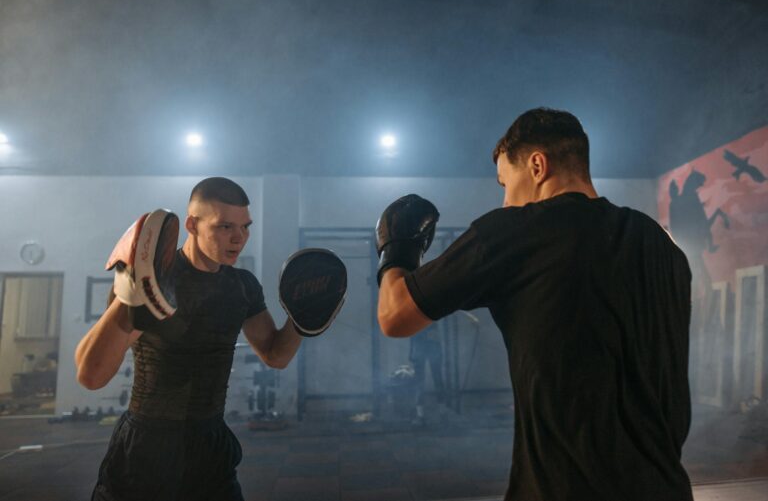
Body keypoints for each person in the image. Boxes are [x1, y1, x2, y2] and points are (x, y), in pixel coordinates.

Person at [376, 108, 693, 501]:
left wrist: (396, 253)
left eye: (505, 183)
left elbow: (394, 315)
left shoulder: (516, 231)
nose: (506, 201)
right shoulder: (662, 246)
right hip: (667, 488)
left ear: (537, 166)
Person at [75, 177, 317, 501]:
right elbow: (91, 375)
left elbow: (276, 355)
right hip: (147, 442)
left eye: (245, 227)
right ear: (192, 224)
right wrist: (129, 294)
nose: (239, 238)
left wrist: (302, 318)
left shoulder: (242, 286)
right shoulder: (156, 277)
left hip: (210, 442)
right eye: (224, 227)